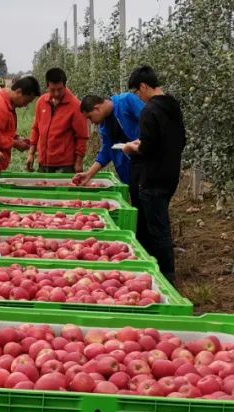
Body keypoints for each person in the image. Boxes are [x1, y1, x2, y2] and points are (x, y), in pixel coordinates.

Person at [121, 66, 186, 283]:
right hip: (170, 174)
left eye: (137, 93)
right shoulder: (173, 106)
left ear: (143, 86)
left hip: (152, 177)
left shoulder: (149, 111)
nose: (138, 98)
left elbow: (147, 148)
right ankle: (164, 272)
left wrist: (132, 148)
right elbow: (176, 141)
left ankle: (163, 276)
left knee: (155, 229)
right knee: (161, 224)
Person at [74, 91, 145, 202]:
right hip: (130, 172)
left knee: (151, 207)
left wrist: (143, 143)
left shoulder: (126, 101)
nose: (92, 122)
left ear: (97, 109)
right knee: (139, 207)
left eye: (90, 117)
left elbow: (151, 121)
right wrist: (89, 174)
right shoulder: (104, 125)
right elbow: (107, 151)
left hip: (147, 164)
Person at [26, 68, 88, 175]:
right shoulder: (41, 102)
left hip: (65, 165)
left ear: (65, 85)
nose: (56, 93)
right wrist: (31, 153)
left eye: (60, 89)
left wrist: (79, 162)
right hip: (44, 162)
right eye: (52, 89)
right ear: (47, 86)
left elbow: (82, 136)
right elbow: (36, 129)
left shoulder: (75, 105)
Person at [0, 75, 41, 184]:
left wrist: (17, 138)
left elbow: (3, 131)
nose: (24, 105)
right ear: (18, 92)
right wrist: (15, 143)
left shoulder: (8, 105)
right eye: (26, 101)